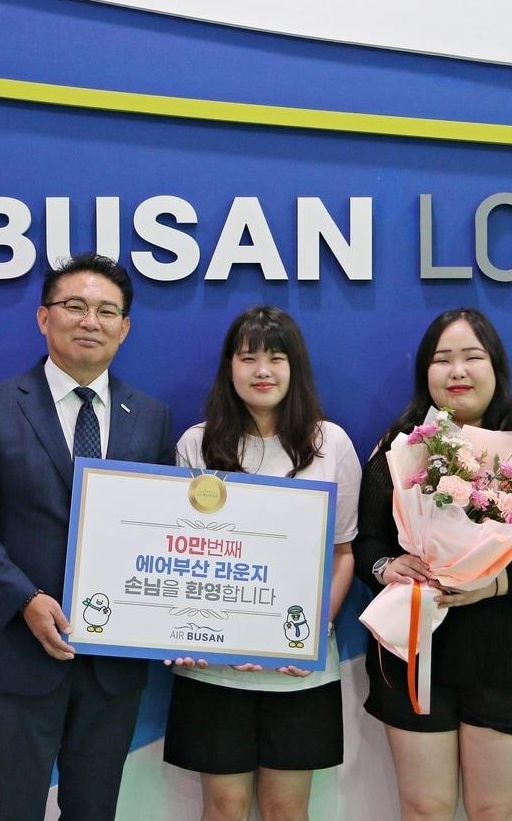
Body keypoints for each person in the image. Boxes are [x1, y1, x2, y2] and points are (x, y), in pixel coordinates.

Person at [0, 253, 174, 821]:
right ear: (44, 318)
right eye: (74, 306)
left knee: (94, 809)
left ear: (125, 328)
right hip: (20, 654)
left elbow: (165, 530)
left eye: (106, 310)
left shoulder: (150, 416)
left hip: (112, 664)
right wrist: (24, 600)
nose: (89, 321)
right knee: (10, 809)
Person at [352, 308, 512, 821]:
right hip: (415, 648)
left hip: (510, 653)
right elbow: (367, 539)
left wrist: (498, 582)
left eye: (471, 357)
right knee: (423, 809)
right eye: (443, 359)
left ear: (496, 367)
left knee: (496, 811)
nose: (457, 371)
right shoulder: (398, 448)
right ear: (426, 374)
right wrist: (385, 568)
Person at [162, 305, 360, 821]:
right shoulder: (195, 444)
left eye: (276, 357)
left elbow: (342, 554)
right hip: (214, 671)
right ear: (230, 367)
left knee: (286, 812)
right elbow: (180, 557)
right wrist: (186, 631)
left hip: (298, 668)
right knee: (223, 809)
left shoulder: (329, 443)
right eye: (248, 357)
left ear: (296, 368)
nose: (262, 370)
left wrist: (309, 632)